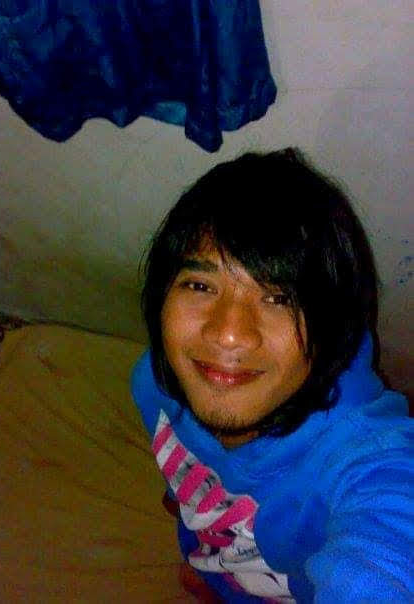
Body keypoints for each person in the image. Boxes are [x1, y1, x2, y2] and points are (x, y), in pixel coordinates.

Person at [131, 149, 413, 602]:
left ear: (332, 325)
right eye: (200, 285)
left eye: (280, 298)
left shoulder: (364, 460)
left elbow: (388, 551)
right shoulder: (153, 381)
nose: (227, 334)